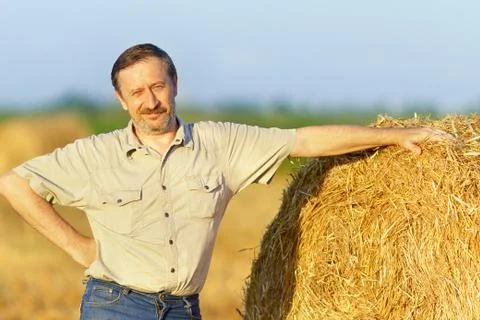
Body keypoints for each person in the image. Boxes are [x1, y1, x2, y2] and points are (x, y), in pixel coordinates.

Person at [0, 43, 450, 320]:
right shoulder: (93, 155)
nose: (150, 101)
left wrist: (396, 135)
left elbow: (305, 140)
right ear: (121, 100)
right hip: (114, 308)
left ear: (175, 83)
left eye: (157, 86)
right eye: (136, 92)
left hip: (183, 310)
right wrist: (78, 246)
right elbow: (15, 183)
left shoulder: (221, 143)